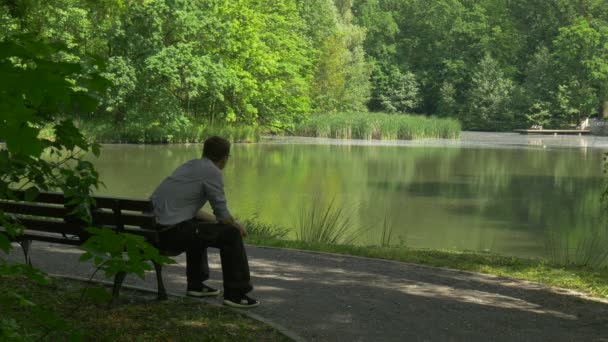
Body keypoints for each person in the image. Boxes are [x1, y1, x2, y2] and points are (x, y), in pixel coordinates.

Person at [150, 136, 259, 308]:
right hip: (169, 235)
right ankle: (236, 294)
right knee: (230, 234)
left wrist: (220, 221)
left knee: (197, 228)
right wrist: (235, 224)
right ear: (224, 158)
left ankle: (196, 285)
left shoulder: (189, 166)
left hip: (153, 231)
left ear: (205, 152)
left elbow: (191, 211)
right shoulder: (212, 172)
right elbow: (222, 214)